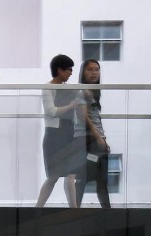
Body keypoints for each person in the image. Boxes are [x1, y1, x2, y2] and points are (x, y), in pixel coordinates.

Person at [35, 54, 83, 208]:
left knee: (71, 175)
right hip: (54, 136)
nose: (71, 73)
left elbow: (84, 97)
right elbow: (51, 111)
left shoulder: (71, 89)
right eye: (68, 70)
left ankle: (74, 209)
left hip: (69, 134)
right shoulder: (48, 88)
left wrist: (83, 94)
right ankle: (38, 208)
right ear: (59, 70)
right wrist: (71, 106)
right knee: (53, 176)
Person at [74, 59, 111, 208]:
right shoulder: (81, 90)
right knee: (83, 178)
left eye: (97, 69)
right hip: (86, 139)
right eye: (90, 69)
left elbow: (95, 117)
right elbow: (83, 116)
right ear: (83, 72)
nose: (94, 72)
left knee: (101, 180)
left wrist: (103, 139)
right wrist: (98, 138)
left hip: (96, 139)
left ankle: (108, 213)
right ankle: (75, 212)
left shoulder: (94, 91)